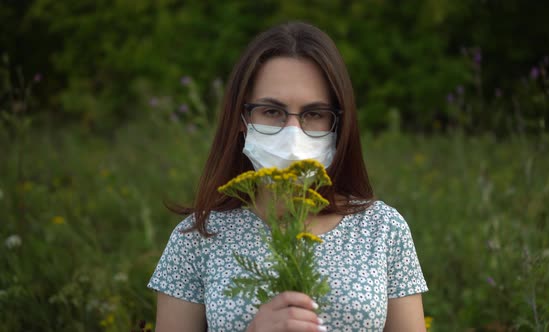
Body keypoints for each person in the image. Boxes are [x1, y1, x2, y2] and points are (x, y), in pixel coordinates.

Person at [148, 21, 428, 332]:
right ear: (241, 119)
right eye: (271, 111)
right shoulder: (198, 237)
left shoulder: (383, 229)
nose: (293, 134)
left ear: (338, 124)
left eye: (315, 114)